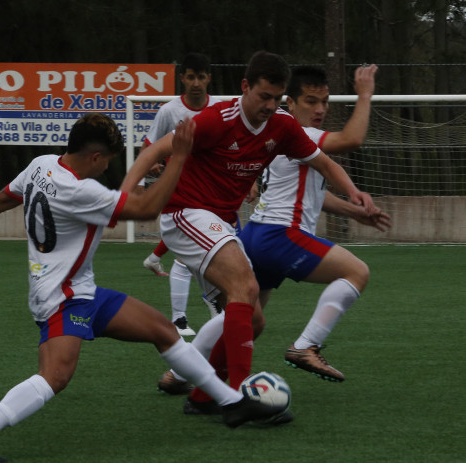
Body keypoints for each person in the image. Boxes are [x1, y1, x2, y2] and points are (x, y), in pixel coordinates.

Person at [0, 113, 285, 462]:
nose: (106, 170)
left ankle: (231, 403)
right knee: (55, 376)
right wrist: (178, 155)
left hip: (83, 291)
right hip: (62, 298)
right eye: (108, 162)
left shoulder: (41, 165)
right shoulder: (81, 191)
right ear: (96, 157)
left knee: (163, 331)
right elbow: (147, 207)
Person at [120, 51, 377, 398]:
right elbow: (154, 152)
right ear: (245, 87)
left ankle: (198, 392)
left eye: (275, 98)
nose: (269, 105)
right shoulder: (215, 120)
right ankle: (238, 394)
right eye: (263, 96)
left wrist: (354, 192)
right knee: (246, 286)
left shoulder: (283, 126)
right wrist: (124, 194)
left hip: (226, 224)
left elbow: (326, 165)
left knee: (252, 320)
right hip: (186, 213)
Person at [179, 64, 390, 415]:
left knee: (248, 317)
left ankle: (183, 372)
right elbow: (351, 140)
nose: (320, 110)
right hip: (280, 235)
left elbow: (311, 194)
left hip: (258, 233)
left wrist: (354, 210)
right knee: (356, 272)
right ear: (289, 103)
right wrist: (365, 94)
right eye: (311, 101)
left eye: (324, 102)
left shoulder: (279, 136)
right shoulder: (301, 133)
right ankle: (305, 347)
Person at [139, 52, 220, 338]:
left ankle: (202, 308)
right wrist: (153, 162)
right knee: (190, 255)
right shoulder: (169, 111)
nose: (196, 83)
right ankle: (184, 318)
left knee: (215, 251)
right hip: (181, 192)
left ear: (209, 78)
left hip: (214, 191)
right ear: (182, 78)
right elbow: (149, 146)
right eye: (190, 77)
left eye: (201, 77)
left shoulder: (221, 108)